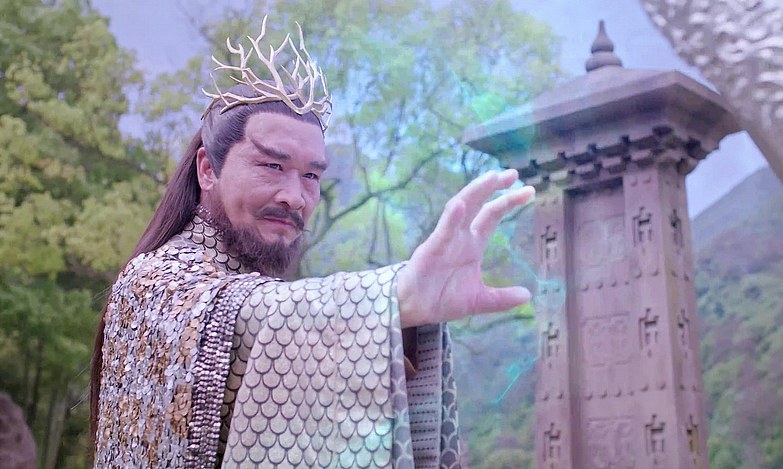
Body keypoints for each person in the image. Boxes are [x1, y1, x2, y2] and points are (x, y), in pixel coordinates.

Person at [90, 18, 534, 469]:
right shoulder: (153, 281)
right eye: (271, 166)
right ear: (208, 169)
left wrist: (405, 323)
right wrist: (396, 295)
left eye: (311, 176)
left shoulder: (265, 294)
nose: (295, 196)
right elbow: (241, 312)